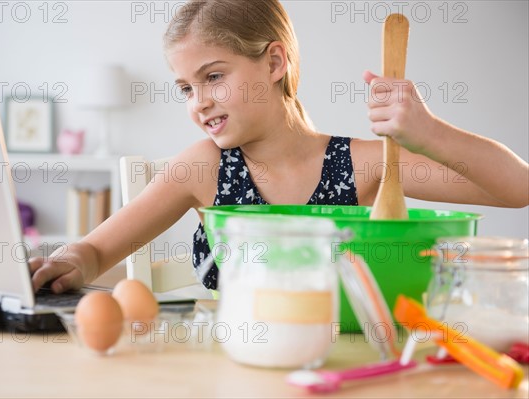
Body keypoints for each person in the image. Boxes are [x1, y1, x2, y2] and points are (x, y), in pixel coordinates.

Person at [30, 0, 528, 293]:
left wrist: (429, 133)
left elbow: (516, 188)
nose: (198, 103)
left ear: (273, 63)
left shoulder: (366, 165)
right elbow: (95, 250)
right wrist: (72, 261)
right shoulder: (204, 169)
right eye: (186, 88)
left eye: (214, 77)